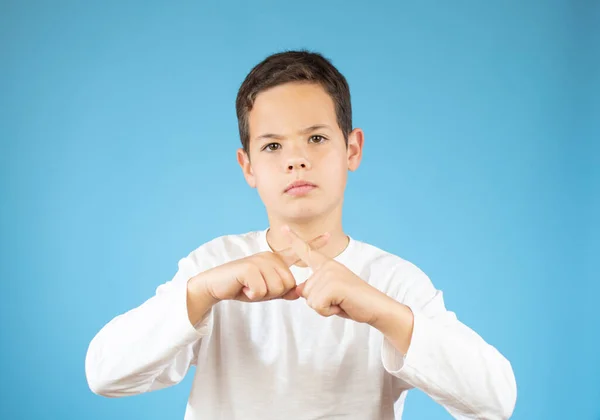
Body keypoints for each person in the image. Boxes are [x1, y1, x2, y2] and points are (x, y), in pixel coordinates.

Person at [85, 50, 517, 419]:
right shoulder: (212, 267)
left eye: (315, 138)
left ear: (352, 149)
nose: (296, 159)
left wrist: (385, 313)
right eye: (273, 146)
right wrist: (200, 294)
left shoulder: (394, 282)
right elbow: (105, 374)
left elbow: (496, 400)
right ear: (247, 166)